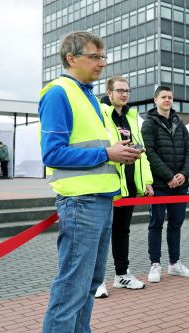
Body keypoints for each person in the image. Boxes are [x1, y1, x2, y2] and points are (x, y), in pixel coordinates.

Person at [38, 31, 142, 332]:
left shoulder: (87, 96)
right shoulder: (58, 92)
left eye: (103, 57)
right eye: (94, 57)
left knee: (90, 283)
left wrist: (117, 154)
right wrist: (107, 152)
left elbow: (91, 148)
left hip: (99, 198)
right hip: (80, 202)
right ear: (72, 58)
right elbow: (53, 153)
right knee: (73, 286)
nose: (102, 63)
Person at [94, 76, 154, 298]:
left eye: (127, 90)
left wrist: (146, 180)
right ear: (109, 93)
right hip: (107, 184)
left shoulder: (131, 116)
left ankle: (121, 275)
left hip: (128, 185)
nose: (124, 94)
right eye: (119, 90)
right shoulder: (100, 114)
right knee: (101, 234)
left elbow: (143, 153)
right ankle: (96, 281)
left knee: (122, 231)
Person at [141, 86, 189, 282]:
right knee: (156, 224)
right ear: (155, 100)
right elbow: (149, 153)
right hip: (160, 185)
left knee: (176, 224)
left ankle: (175, 263)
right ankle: (155, 264)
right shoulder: (149, 124)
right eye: (163, 97)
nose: (167, 100)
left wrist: (183, 174)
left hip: (180, 185)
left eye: (170, 97)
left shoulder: (179, 123)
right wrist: (168, 177)